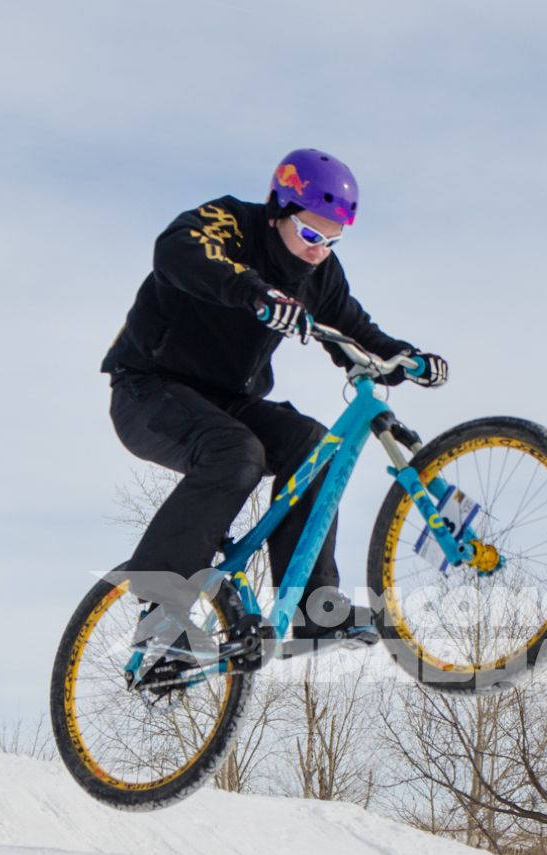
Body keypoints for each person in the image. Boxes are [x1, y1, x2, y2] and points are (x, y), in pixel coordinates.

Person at [101, 148, 446, 689]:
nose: (319, 253)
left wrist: (408, 360)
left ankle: (312, 606)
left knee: (314, 444)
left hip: (225, 401)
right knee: (236, 452)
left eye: (333, 241)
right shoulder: (231, 223)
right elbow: (175, 250)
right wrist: (252, 291)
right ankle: (162, 614)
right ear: (278, 209)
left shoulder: (321, 275)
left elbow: (358, 331)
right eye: (311, 236)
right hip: (149, 388)